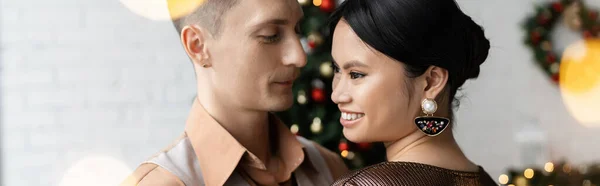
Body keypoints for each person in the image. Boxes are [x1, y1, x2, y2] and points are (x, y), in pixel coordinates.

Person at [120, 0, 348, 185]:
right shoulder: (160, 183)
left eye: (297, 30)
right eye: (270, 35)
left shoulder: (329, 168)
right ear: (198, 45)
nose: (299, 56)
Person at [327, 0, 497, 185]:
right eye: (336, 69)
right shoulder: (484, 180)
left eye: (356, 74)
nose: (337, 95)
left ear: (431, 82)